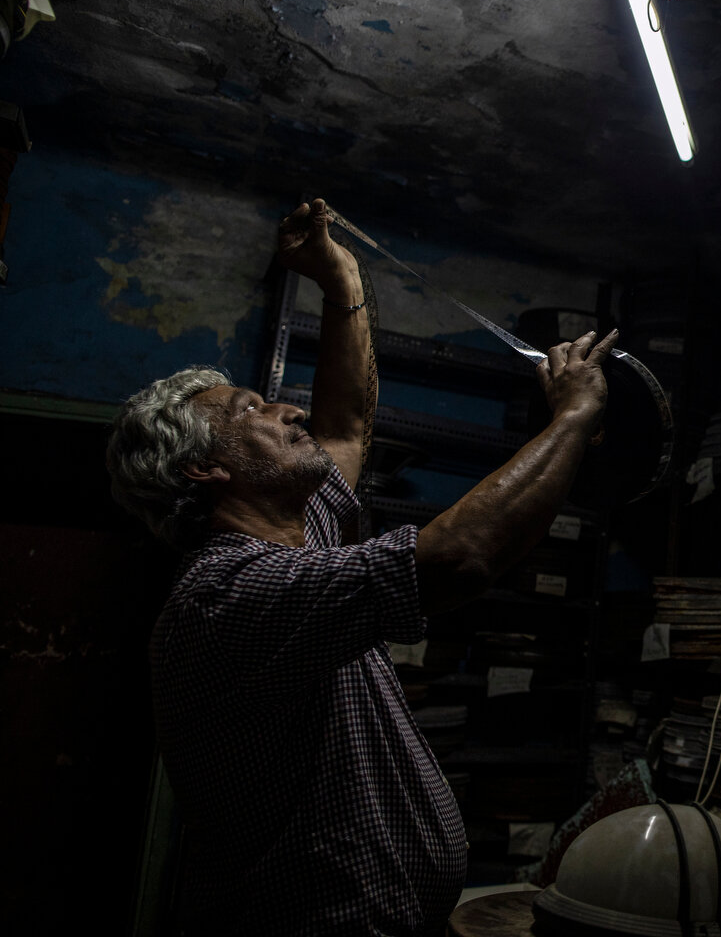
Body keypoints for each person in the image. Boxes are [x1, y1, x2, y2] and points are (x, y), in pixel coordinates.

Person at [104, 198, 617, 936]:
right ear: (200, 470)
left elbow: (344, 424)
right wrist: (571, 419)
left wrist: (338, 275)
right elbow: (460, 557)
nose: (288, 409)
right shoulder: (228, 592)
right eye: (253, 407)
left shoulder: (300, 532)